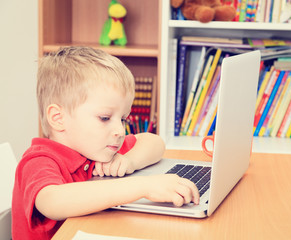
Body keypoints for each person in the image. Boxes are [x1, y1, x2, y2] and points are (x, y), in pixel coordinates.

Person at [12, 46, 200, 240]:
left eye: (123, 119)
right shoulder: (39, 160)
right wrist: (143, 187)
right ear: (58, 118)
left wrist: (130, 161)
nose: (120, 131)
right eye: (104, 118)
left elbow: (154, 142)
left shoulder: (97, 147)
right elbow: (52, 201)